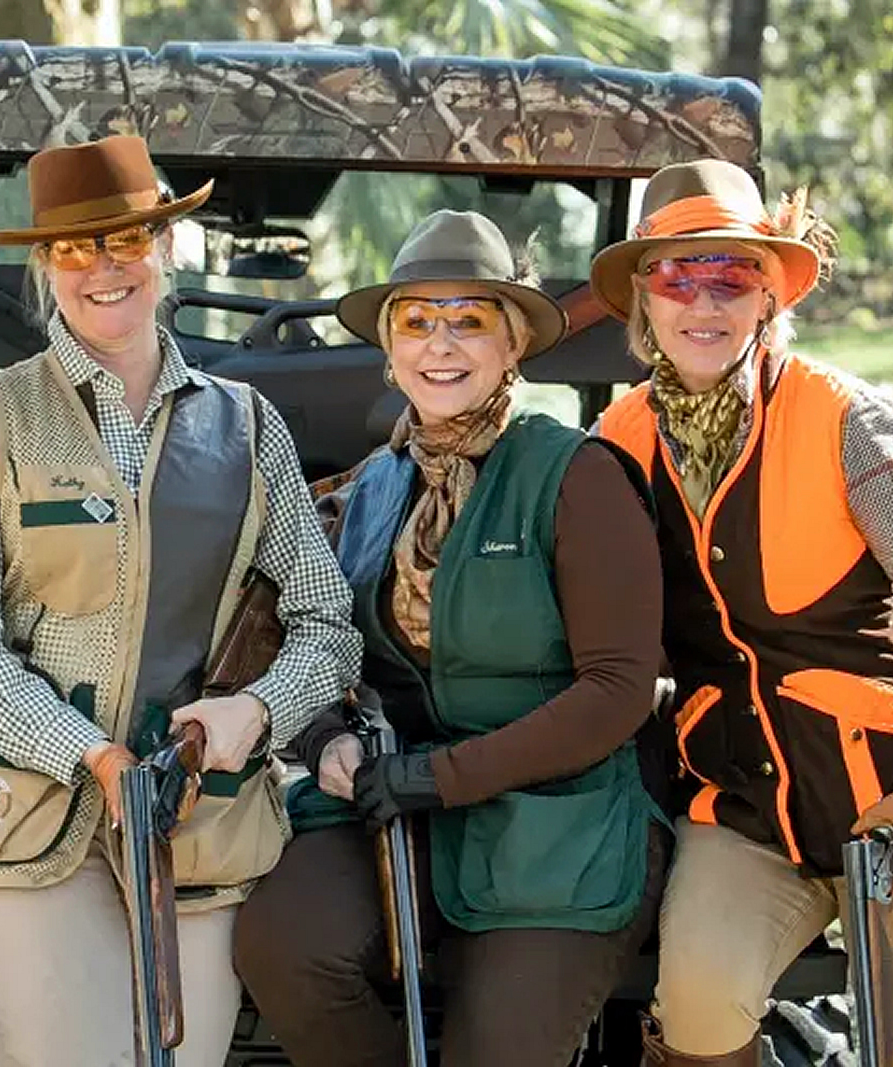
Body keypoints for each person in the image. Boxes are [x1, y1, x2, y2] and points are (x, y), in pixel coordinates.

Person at [0, 134, 360, 1067]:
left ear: (164, 248)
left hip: (198, 818)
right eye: (76, 249)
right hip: (30, 814)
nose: (105, 268)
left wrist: (257, 710)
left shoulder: (247, 423)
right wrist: (95, 758)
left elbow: (326, 625)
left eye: (127, 240)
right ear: (45, 264)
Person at [588, 159, 893, 1066]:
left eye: (731, 274)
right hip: (746, 818)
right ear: (645, 302)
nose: (704, 300)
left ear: (769, 294)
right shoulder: (613, 445)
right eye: (676, 274)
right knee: (695, 1011)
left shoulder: (847, 420)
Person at [232, 209, 671, 1067]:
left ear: (513, 345)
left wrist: (438, 776)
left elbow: (617, 692)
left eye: (469, 319)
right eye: (417, 320)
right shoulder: (369, 488)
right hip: (392, 807)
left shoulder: (577, 475)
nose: (441, 342)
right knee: (282, 946)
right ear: (390, 349)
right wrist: (325, 737)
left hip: (558, 826)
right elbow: (313, 646)